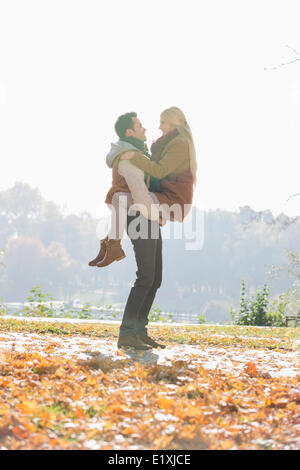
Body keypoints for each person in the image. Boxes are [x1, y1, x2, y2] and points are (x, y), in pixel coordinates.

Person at [89, 108, 197, 350]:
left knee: (155, 278)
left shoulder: (136, 154)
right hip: (140, 216)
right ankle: (127, 333)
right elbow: (139, 194)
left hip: (146, 216)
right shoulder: (129, 158)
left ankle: (139, 331)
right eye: (141, 125)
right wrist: (157, 214)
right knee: (146, 276)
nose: (147, 128)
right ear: (130, 131)